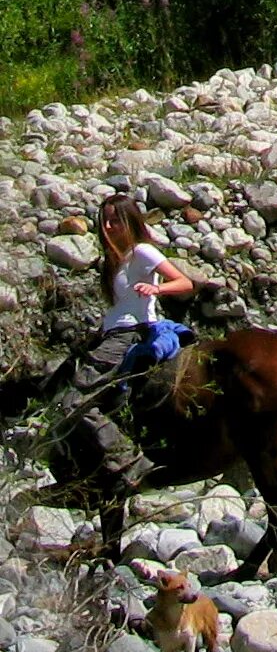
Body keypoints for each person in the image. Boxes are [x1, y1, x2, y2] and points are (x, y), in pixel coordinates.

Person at [65, 192, 194, 490]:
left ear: (130, 220)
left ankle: (132, 462)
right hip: (112, 333)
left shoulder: (142, 252)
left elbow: (184, 282)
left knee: (73, 402)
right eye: (105, 221)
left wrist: (156, 291)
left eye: (115, 220)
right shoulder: (115, 260)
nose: (108, 227)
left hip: (130, 333)